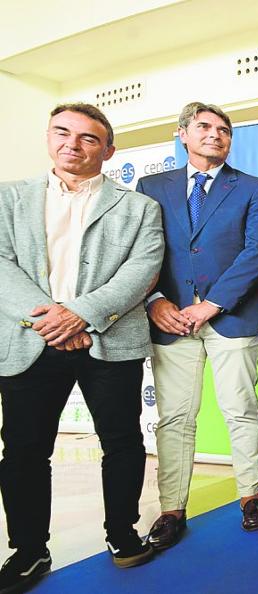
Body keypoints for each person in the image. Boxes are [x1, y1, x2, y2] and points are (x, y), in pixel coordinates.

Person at [0, 104, 164, 591]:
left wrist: (81, 314)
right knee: (25, 451)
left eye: (88, 138)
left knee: (122, 443)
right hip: (31, 338)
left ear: (108, 150)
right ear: (48, 137)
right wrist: (50, 317)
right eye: (62, 133)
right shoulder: (10, 198)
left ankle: (122, 534)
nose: (73, 144)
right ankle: (28, 551)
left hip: (108, 340)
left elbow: (142, 270)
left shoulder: (139, 207)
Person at [140, 101, 258, 547]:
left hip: (231, 316)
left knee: (241, 409)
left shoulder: (254, 188)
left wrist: (213, 303)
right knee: (175, 417)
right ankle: (171, 509)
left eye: (223, 129)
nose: (215, 135)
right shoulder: (150, 186)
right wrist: (155, 299)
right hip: (170, 317)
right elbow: (140, 251)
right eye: (204, 127)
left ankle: (251, 494)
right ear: (183, 134)